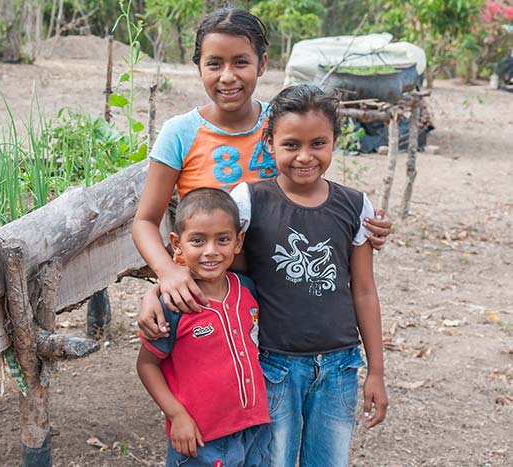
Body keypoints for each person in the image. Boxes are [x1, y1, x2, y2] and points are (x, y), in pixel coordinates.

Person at [132, 7, 392, 333]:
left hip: (275, 289)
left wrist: (364, 222)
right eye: (215, 63)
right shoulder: (180, 133)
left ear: (262, 64)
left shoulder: (286, 120)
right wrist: (167, 274)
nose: (228, 76)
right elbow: (145, 221)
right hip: (208, 286)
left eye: (241, 62)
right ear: (198, 66)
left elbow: (309, 186)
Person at [227, 83, 388, 465]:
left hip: (340, 367)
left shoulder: (355, 204)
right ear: (269, 143)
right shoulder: (249, 201)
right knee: (272, 460)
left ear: (334, 142)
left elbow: (363, 290)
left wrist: (376, 371)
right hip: (273, 365)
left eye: (318, 143)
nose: (304, 156)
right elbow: (223, 271)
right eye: (291, 144)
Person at [137, 187, 270, 467]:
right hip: (200, 440)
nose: (211, 251)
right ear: (177, 243)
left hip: (255, 430)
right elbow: (147, 365)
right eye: (197, 240)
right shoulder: (172, 304)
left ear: (238, 241)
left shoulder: (247, 290)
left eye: (222, 239)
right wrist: (176, 415)